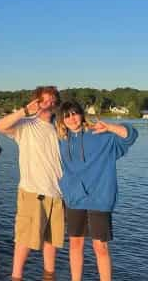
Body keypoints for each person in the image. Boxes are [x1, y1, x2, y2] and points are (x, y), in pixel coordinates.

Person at [56, 100, 138, 281]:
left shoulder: (100, 134)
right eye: (67, 116)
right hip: (74, 199)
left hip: (100, 199)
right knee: (75, 244)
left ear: (81, 114)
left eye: (75, 113)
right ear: (62, 120)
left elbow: (131, 135)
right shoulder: (61, 140)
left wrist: (109, 126)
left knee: (100, 247)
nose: (72, 119)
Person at [0, 86, 64, 280]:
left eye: (52, 101)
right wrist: (25, 111)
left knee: (52, 244)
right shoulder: (26, 124)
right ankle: (16, 277)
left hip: (58, 195)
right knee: (24, 240)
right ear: (36, 102)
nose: (49, 104)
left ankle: (49, 276)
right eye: (44, 101)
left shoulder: (60, 127)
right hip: (34, 193)